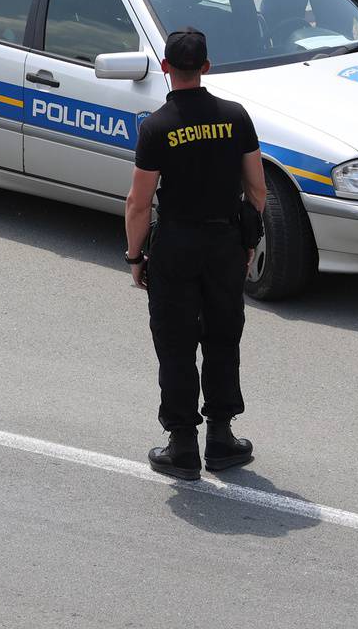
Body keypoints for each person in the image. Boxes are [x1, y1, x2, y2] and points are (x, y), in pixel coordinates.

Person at [124, 28, 267, 481]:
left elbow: (139, 203)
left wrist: (135, 257)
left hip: (176, 246)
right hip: (224, 243)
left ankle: (182, 443)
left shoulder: (156, 126)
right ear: (207, 66)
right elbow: (257, 188)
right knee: (223, 337)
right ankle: (222, 438)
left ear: (166, 68)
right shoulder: (236, 117)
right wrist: (246, 240)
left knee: (176, 344)